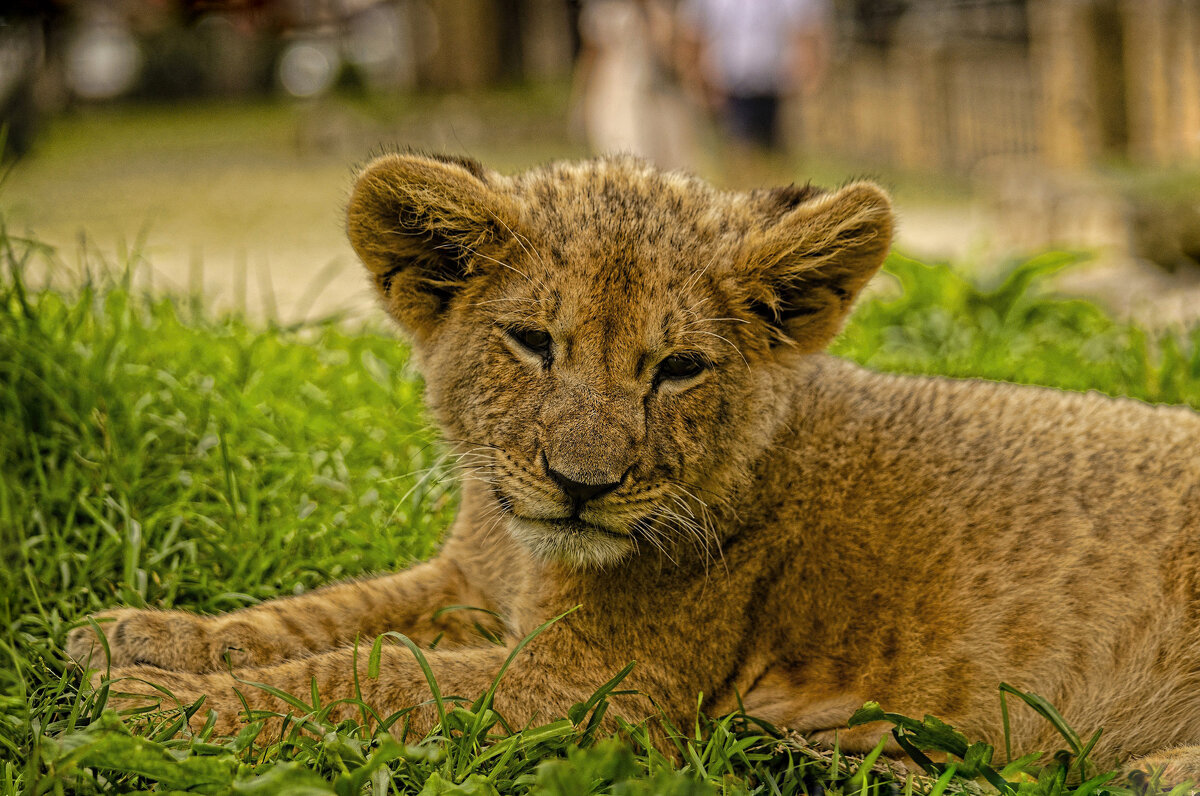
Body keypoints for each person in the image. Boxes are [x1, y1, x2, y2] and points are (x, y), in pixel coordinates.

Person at [678, 0, 831, 151]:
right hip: (728, 88)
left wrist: (808, 78)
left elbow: (808, 28)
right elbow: (693, 33)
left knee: (775, 155)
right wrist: (696, 81)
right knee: (739, 153)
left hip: (776, 87)